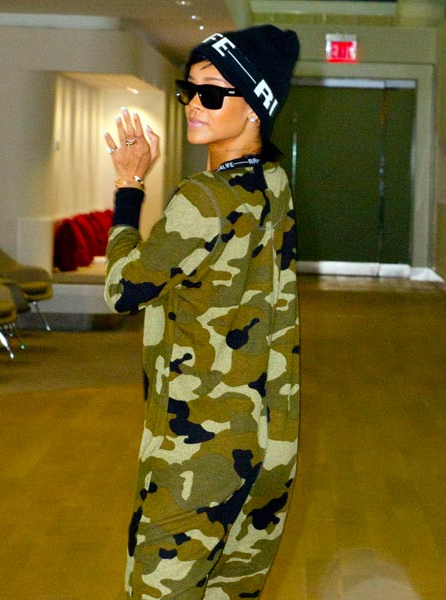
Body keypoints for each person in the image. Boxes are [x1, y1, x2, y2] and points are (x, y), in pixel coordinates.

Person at [103, 24, 300, 600]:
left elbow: (122, 289)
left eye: (212, 93)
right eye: (188, 89)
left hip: (199, 446)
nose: (193, 104)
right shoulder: (274, 184)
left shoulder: (203, 197)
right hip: (269, 436)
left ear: (256, 107)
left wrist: (129, 186)